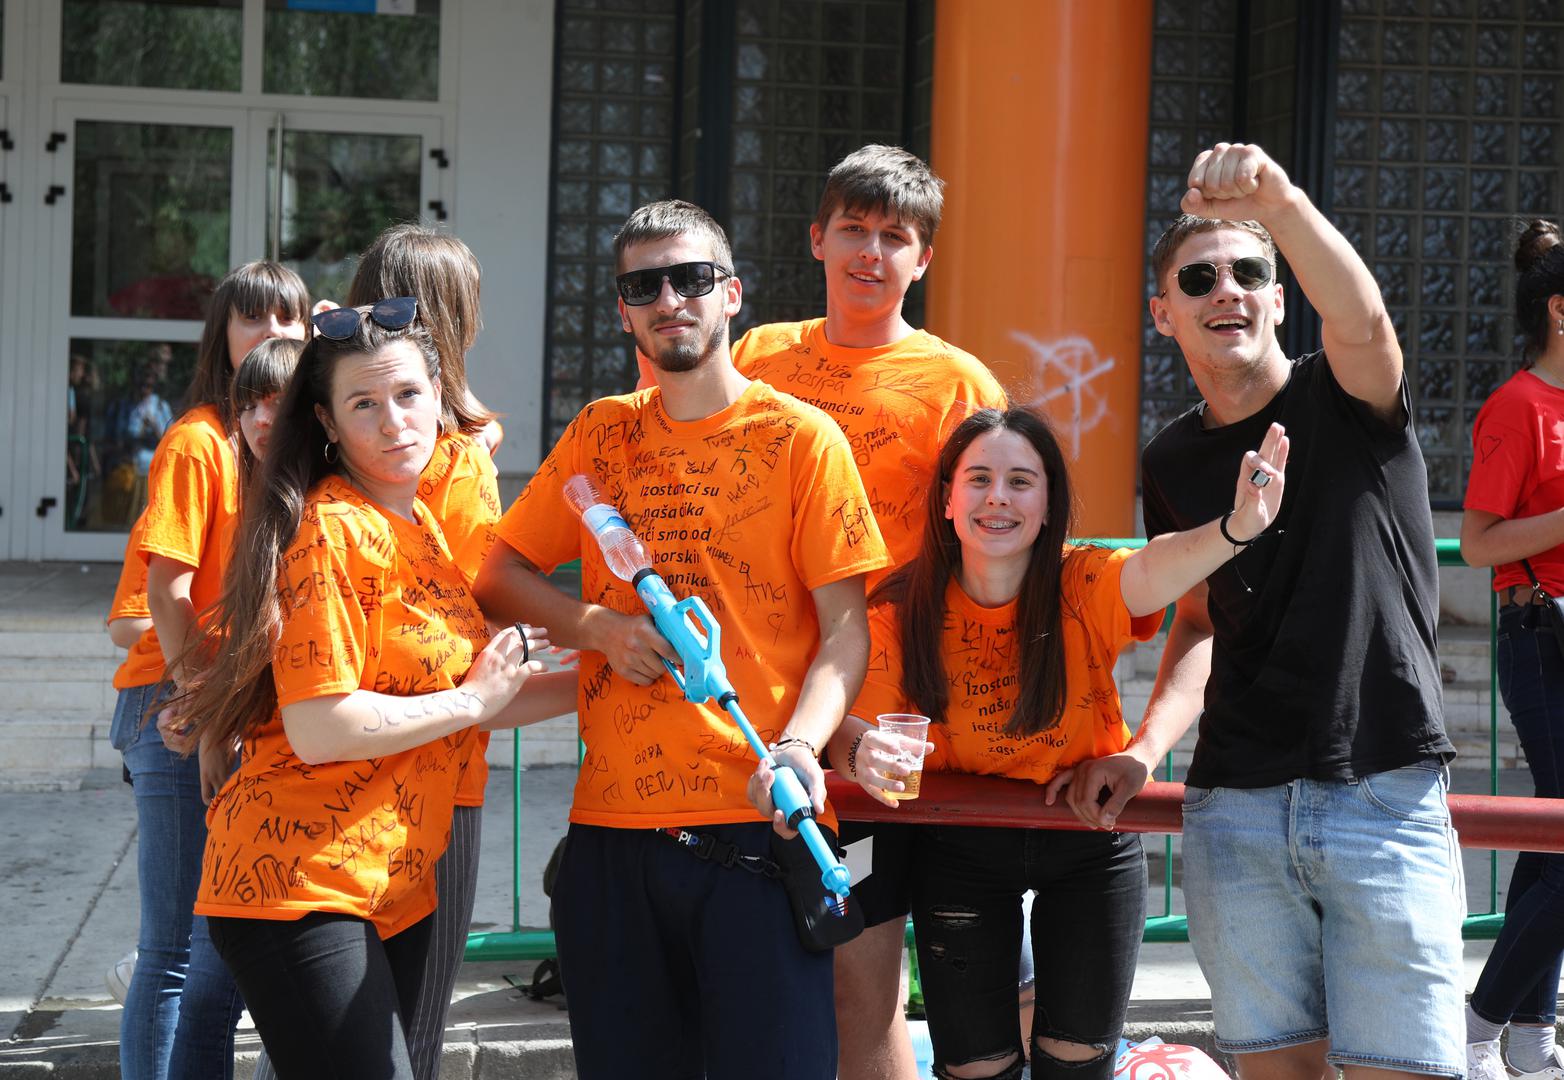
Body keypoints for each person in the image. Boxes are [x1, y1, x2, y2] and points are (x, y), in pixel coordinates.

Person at [1063, 142, 1465, 1080]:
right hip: (1235, 806)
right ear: (1164, 314)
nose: (1227, 291)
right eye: (1198, 279)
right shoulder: (1168, 462)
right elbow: (1202, 622)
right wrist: (1142, 749)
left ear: (1280, 297)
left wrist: (1279, 202)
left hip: (1384, 783)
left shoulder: (1351, 395)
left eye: (1250, 273)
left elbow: (1362, 317)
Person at [473, 199, 891, 1080]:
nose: (669, 299)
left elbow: (846, 631)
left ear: (731, 294)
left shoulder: (802, 440)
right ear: (624, 311)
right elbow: (498, 574)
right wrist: (595, 626)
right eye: (643, 285)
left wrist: (804, 746)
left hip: (756, 825)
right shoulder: (601, 432)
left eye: (691, 278)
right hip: (613, 839)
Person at [640, 144, 1010, 1080]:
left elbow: (998, 545)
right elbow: (660, 474)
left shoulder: (960, 385)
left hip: (886, 725)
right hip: (747, 712)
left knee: (865, 982)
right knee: (755, 984)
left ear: (922, 259)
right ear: (817, 238)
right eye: (854, 229)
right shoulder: (757, 354)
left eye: (895, 237)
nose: (870, 253)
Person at [824, 406, 1285, 1080]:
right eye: (978, 480)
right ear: (947, 500)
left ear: (1048, 505)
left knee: (1078, 1064)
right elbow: (849, 727)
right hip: (960, 848)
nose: (997, 499)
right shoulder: (901, 605)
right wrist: (863, 752)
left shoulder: (1083, 581)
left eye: (1020, 481)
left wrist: (1236, 528)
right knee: (974, 1069)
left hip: (1087, 839)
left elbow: (1156, 568)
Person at [176, 301, 575, 1079]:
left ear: (438, 395)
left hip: (382, 884)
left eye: (408, 395)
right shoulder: (328, 527)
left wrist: (613, 677)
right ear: (326, 421)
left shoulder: (418, 522)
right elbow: (322, 725)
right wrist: (471, 702)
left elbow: (478, 697)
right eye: (364, 404)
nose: (394, 421)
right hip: (297, 884)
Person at [107, 260, 310, 1080]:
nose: (272, 338)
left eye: (290, 322)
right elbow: (161, 590)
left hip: (244, 705)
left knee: (223, 940)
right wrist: (203, 696)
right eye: (253, 322)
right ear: (221, 337)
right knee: (178, 948)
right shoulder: (200, 439)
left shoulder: (296, 441)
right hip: (178, 701)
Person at [1459, 219, 1564, 1080]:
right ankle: (1481, 1017)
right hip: (1538, 631)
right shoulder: (1518, 407)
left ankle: (1529, 1031)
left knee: (1554, 837)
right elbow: (1482, 541)